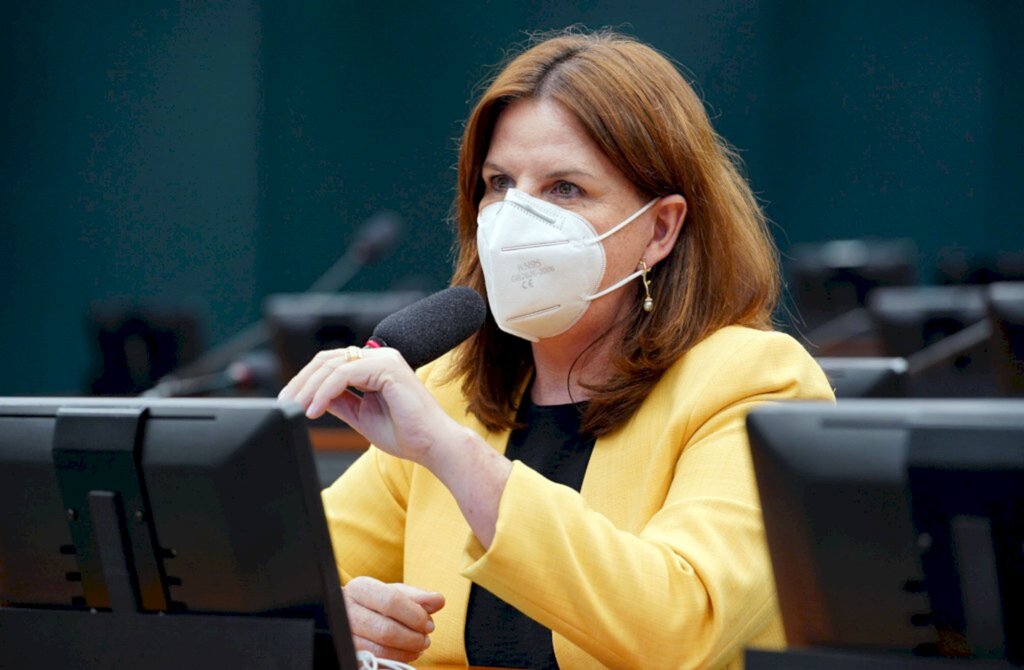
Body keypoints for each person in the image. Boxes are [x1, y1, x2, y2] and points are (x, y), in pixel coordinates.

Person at [279, 28, 834, 669]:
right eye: (499, 183)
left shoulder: (754, 382)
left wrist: (456, 457)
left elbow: (681, 630)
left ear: (660, 228)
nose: (517, 217)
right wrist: (336, 613)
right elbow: (275, 578)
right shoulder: (451, 389)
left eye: (564, 189)